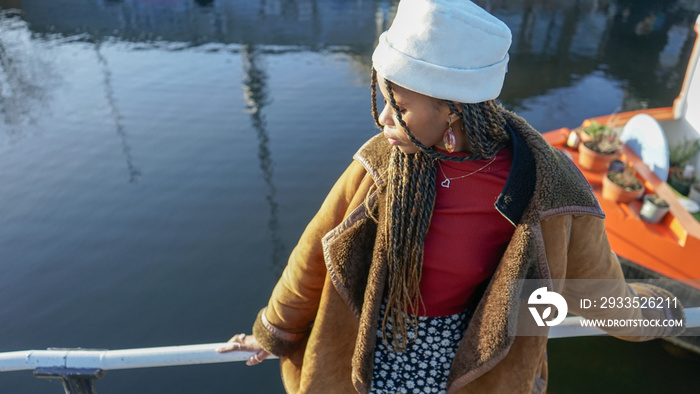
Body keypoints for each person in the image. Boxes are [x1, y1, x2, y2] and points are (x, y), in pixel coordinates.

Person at [217, 1, 685, 393]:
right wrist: (273, 333)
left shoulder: (548, 188)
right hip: (367, 345)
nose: (382, 120)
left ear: (452, 110)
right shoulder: (381, 164)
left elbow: (597, 291)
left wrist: (669, 313)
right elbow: (314, 252)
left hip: (470, 366)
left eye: (399, 107)